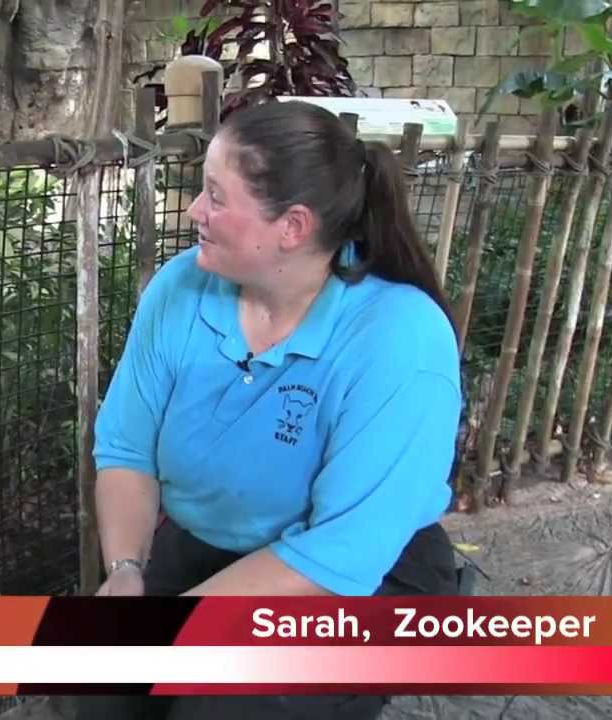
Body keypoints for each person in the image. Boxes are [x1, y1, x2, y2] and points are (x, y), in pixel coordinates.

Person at [81, 100, 462, 719]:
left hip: (356, 576)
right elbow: (127, 448)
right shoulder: (181, 288)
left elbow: (339, 554)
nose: (193, 210)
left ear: (292, 227)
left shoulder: (399, 338)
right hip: (211, 547)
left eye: (215, 196)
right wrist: (126, 573)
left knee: (218, 707)